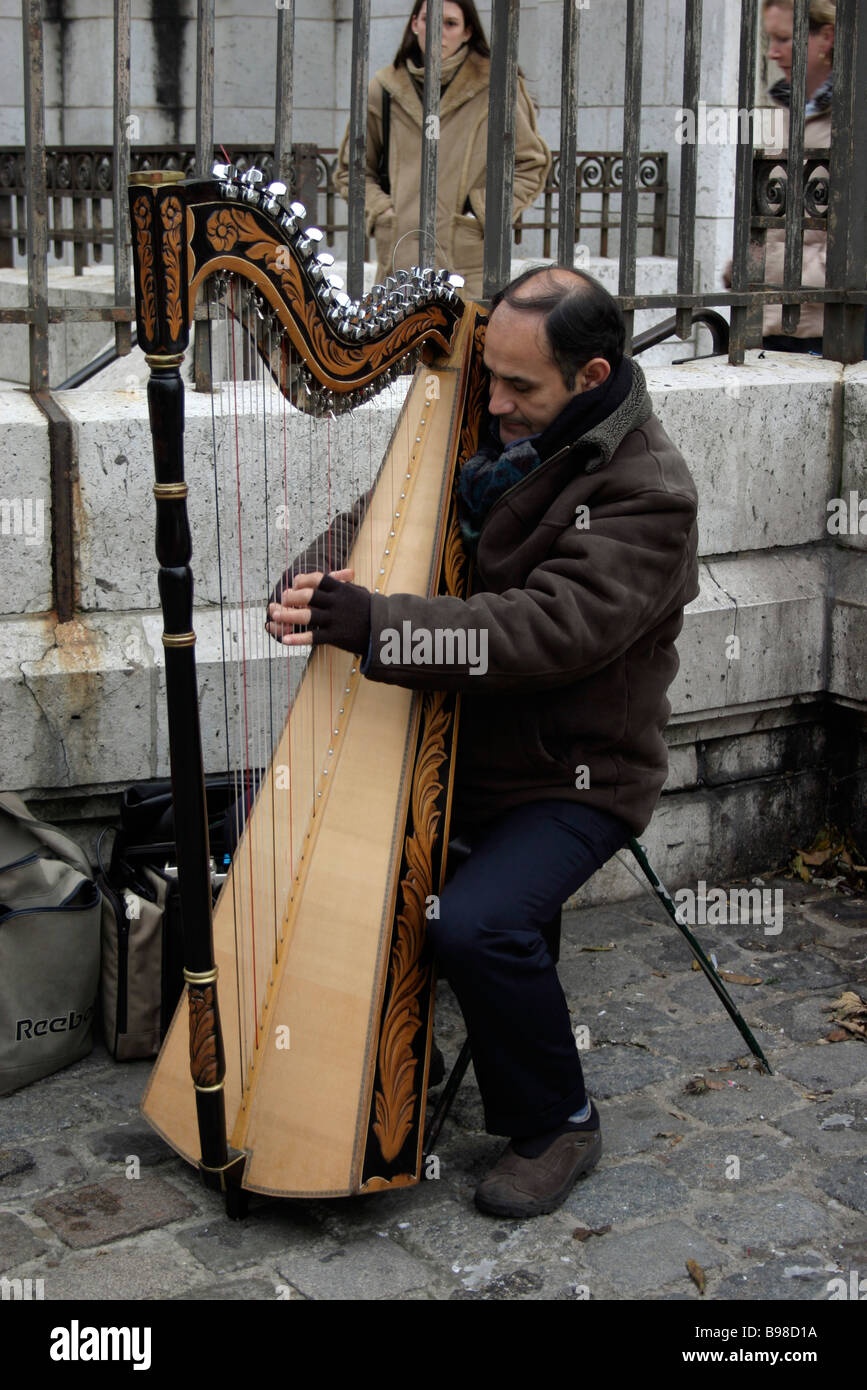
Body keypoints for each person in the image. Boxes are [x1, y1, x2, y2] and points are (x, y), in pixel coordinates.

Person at [267, 265, 699, 1218]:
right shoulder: (493, 427)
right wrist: (312, 583)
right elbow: (380, 517)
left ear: (589, 379)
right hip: (454, 740)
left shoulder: (645, 493)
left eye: (518, 388)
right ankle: (376, 1066)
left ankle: (560, 1122)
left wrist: (375, 624)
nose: (491, 400)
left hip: (569, 773)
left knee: (474, 921)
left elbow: (543, 631)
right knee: (295, 852)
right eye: (486, 376)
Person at [334, 0, 550, 298]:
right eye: (429, 20)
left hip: (468, 269)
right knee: (400, 345)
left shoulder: (497, 85)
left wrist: (480, 211)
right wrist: (383, 212)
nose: (438, 32)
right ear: (414, 24)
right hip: (399, 268)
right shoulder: (383, 89)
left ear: (467, 32)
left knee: (465, 343)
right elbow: (353, 171)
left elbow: (530, 164)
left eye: (450, 23)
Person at [725, 0, 835, 353]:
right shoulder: (783, 114)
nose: (772, 53)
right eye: (770, 39)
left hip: (830, 328)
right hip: (767, 320)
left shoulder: (852, 118)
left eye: (784, 39)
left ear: (827, 37)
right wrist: (744, 263)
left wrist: (776, 272)